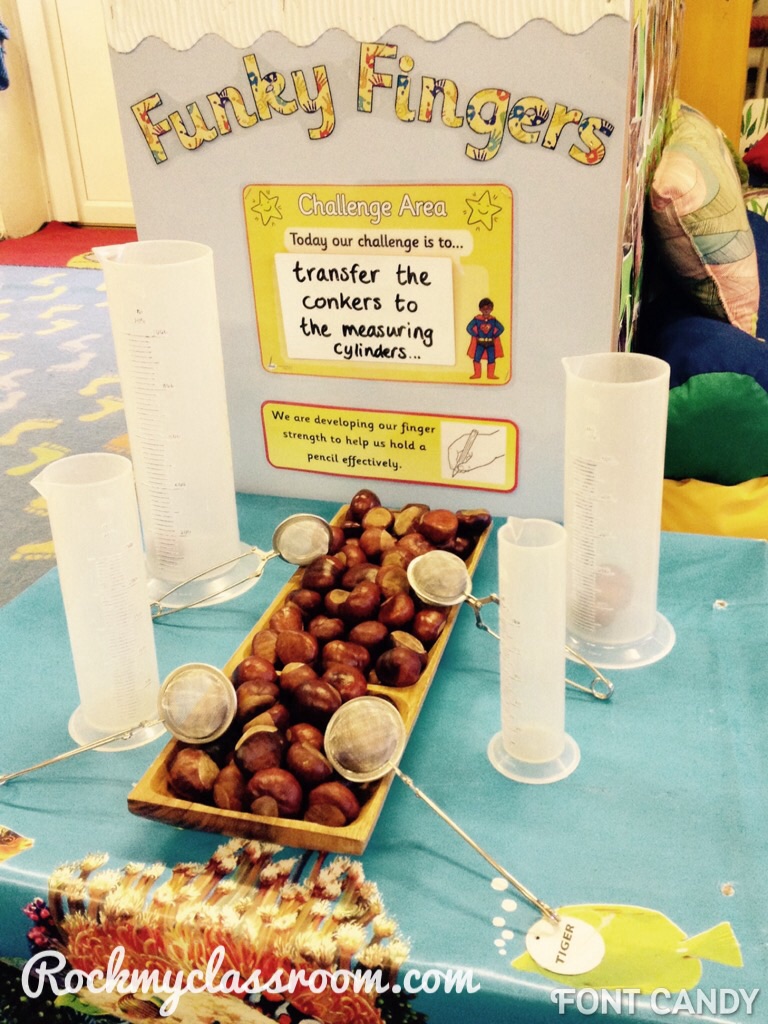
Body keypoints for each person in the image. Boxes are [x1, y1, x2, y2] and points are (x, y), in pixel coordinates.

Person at [466, 297, 504, 379]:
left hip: (490, 343)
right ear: (480, 309)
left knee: (491, 359)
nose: (486, 310)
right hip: (480, 343)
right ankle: (477, 374)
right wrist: (475, 335)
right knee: (477, 358)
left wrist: (495, 335)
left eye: (489, 308)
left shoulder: (493, 320)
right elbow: (469, 328)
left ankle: (490, 375)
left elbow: (501, 328)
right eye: (484, 308)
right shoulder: (477, 319)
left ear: (492, 309)